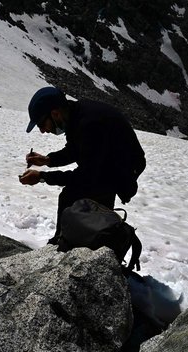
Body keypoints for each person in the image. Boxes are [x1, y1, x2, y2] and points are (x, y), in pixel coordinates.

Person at [19, 86, 145, 244]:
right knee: (75, 196)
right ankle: (69, 241)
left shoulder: (89, 124)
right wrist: (48, 160)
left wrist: (42, 177)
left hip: (122, 169)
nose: (43, 131)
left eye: (41, 124)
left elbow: (85, 175)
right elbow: (75, 149)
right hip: (108, 162)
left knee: (79, 197)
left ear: (55, 113)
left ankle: (74, 243)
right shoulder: (74, 115)